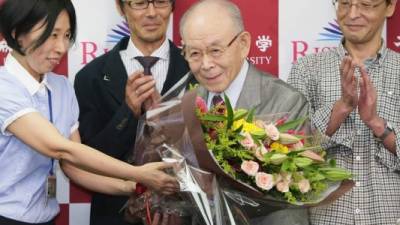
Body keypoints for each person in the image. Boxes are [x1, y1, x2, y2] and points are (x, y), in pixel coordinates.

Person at [0, 0, 179, 225]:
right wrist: (140, 174)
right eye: (52, 35)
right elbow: (62, 149)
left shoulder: (61, 86)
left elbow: (74, 167)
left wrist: (134, 187)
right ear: (17, 34)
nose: (61, 48)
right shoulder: (3, 87)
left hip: (44, 218)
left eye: (66, 36)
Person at [177, 0, 309, 225]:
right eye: (195, 54)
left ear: (244, 43)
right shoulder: (185, 102)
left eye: (215, 50)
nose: (206, 64)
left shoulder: (285, 102)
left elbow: (290, 189)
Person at [73, 0, 190, 224]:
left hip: (182, 213)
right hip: (114, 214)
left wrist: (163, 117)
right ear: (121, 8)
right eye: (140, 3)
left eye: (161, 2)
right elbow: (86, 160)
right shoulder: (91, 77)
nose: (152, 13)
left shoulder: (196, 69)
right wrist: (127, 112)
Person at [287, 0, 399, 224]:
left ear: (390, 7)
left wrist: (376, 123)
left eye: (366, 4)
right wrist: (341, 108)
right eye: (345, 3)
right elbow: (290, 151)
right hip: (326, 218)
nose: (352, 14)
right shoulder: (307, 69)